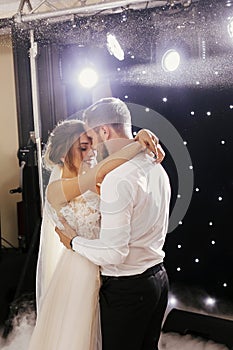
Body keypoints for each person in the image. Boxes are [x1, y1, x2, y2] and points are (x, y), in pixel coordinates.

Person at [28, 118, 163, 350]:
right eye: (82, 147)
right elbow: (103, 169)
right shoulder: (57, 189)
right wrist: (139, 141)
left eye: (92, 144)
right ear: (62, 154)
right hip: (79, 272)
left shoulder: (97, 181)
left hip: (107, 268)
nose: (91, 152)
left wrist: (141, 137)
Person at [56, 97, 171, 350]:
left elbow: (114, 253)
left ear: (104, 130)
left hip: (128, 290)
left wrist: (73, 242)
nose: (93, 149)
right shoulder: (156, 165)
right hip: (158, 280)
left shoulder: (117, 179)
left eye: (93, 139)